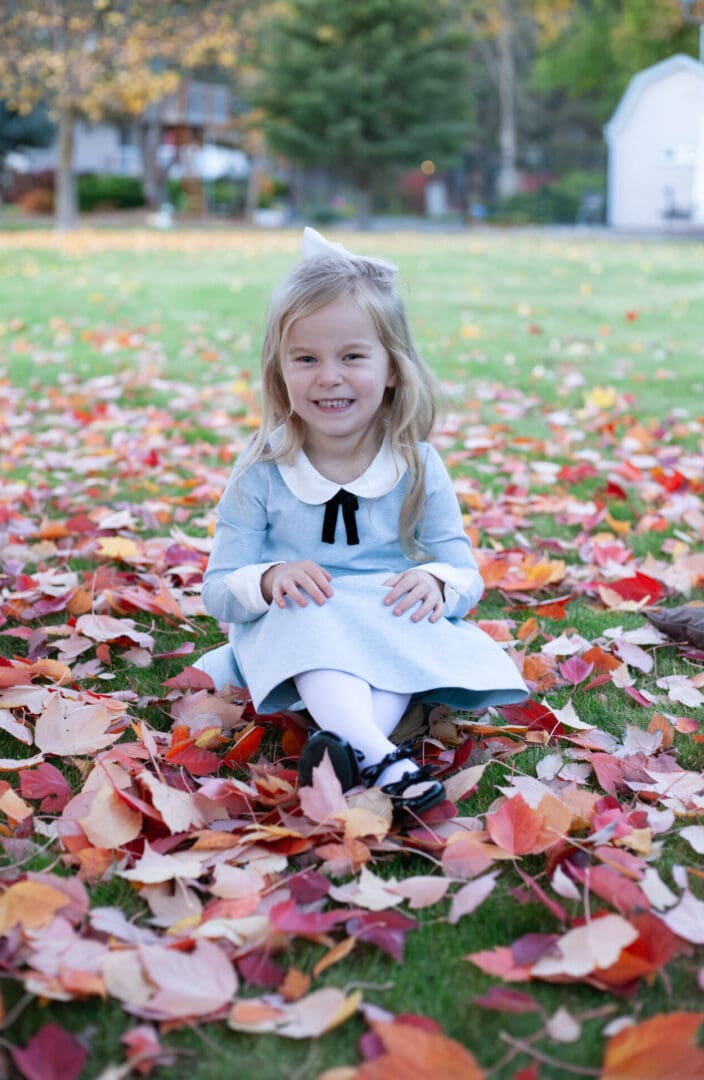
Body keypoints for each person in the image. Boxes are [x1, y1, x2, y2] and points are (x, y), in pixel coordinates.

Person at [196, 228, 528, 819]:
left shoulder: (416, 465)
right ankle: (383, 755)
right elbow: (219, 589)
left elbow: (464, 575)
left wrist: (437, 583)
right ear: (280, 373)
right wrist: (271, 579)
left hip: (387, 628)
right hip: (300, 631)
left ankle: (347, 754)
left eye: (352, 356)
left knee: (394, 613)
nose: (329, 376)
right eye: (306, 359)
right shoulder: (263, 470)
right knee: (311, 614)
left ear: (393, 369)